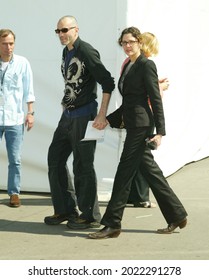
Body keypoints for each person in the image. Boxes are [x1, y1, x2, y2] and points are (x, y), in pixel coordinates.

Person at [88, 27, 187, 239]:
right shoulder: (129, 66)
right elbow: (129, 102)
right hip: (133, 123)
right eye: (124, 42)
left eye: (131, 41)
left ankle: (112, 223)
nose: (127, 46)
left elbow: (155, 98)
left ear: (139, 42)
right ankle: (177, 214)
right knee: (152, 173)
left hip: (142, 126)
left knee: (124, 173)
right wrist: (107, 119)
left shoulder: (146, 64)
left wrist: (160, 131)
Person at [44, 16, 115, 229]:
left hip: (85, 115)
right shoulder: (66, 50)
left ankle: (90, 216)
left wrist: (101, 115)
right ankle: (65, 210)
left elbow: (107, 82)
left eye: (65, 30)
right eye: (58, 31)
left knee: (82, 165)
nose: (61, 34)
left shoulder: (86, 51)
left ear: (76, 29)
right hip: (68, 116)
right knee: (55, 159)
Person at [127, 32, 169, 208]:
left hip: (139, 119)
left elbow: (140, 87)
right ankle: (142, 197)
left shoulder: (137, 63)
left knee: (140, 162)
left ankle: (137, 196)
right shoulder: (141, 63)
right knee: (145, 163)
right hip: (143, 118)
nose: (127, 46)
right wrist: (160, 87)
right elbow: (151, 95)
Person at [0, 29, 35, 207]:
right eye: (5, 43)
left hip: (15, 119)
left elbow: (29, 90)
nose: (8, 47)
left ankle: (14, 193)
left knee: (15, 158)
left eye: (11, 43)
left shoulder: (22, 63)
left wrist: (30, 113)